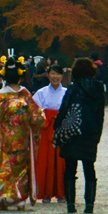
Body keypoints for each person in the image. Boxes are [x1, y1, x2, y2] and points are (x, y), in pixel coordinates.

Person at [0, 60, 45, 210]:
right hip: (22, 137)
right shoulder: (25, 94)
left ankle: (6, 198)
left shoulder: (0, 96)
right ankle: (21, 199)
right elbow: (38, 117)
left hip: (4, 137)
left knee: (4, 167)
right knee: (21, 167)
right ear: (21, 77)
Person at [55, 59, 106, 214]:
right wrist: (97, 133)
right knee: (89, 167)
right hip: (90, 130)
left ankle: (71, 203)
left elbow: (64, 108)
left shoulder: (73, 88)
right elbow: (100, 113)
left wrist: (57, 126)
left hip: (73, 130)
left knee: (70, 168)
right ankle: (89, 205)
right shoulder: (98, 88)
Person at [32, 64, 67, 203]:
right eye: (52, 73)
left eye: (58, 74)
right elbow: (34, 111)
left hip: (61, 130)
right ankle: (45, 193)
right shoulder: (41, 93)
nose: (55, 77)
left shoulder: (66, 92)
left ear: (62, 76)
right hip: (46, 129)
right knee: (45, 161)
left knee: (61, 161)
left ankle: (62, 193)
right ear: (48, 75)